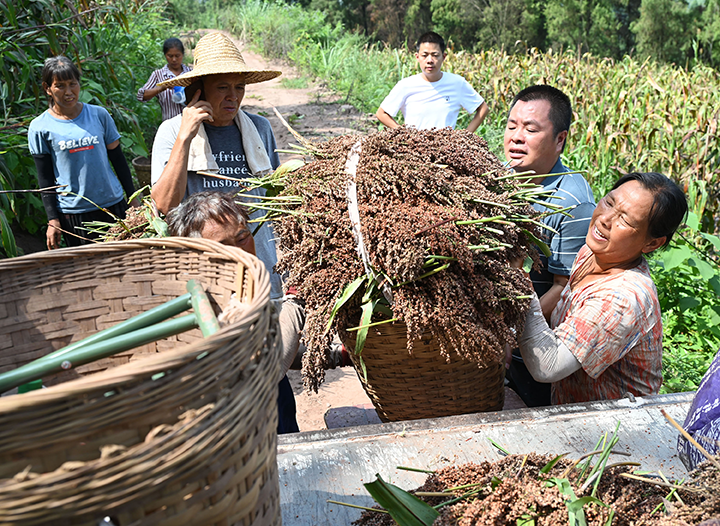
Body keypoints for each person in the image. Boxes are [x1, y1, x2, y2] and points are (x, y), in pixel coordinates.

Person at [516, 172, 687, 405]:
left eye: (625, 220)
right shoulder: (593, 253)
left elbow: (548, 366)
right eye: (609, 202)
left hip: (613, 430)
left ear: (652, 243)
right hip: (569, 412)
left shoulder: (623, 298)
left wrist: (517, 281)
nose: (605, 219)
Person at [150, 31, 284, 301]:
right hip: (206, 272)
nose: (233, 97)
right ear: (199, 90)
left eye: (240, 87)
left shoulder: (259, 129)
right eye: (223, 87)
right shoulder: (172, 132)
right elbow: (164, 205)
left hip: (260, 265)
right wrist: (186, 136)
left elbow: (276, 200)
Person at [165, 191, 301, 434]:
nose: (241, 252)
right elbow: (266, 366)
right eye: (222, 247)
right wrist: (295, 301)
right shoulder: (201, 308)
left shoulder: (246, 290)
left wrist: (333, 355)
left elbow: (266, 340)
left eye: (242, 237)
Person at [503, 85, 596, 407]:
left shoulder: (572, 202)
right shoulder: (499, 179)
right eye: (512, 125)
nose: (516, 137)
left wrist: (508, 330)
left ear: (560, 139)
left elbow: (565, 286)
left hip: (534, 348)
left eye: (530, 129)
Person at [28, 56, 138, 250]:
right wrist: (53, 219)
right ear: (47, 88)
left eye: (73, 84)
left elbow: (118, 160)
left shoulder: (99, 115)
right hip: (74, 214)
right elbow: (44, 178)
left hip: (112, 205)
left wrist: (132, 199)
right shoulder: (40, 127)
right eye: (60, 86)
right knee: (88, 271)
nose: (68, 92)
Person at [375, 32, 488, 132]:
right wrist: (404, 135)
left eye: (435, 55)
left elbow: (483, 109)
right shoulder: (406, 85)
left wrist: (465, 137)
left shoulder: (457, 83)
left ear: (443, 57)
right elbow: (381, 113)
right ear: (417, 57)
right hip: (414, 150)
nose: (429, 60)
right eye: (425, 55)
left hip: (446, 151)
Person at [136, 38, 193, 122]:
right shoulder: (158, 75)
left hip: (191, 123)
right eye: (170, 56)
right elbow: (141, 96)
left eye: (177, 56)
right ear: (165, 55)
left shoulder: (191, 73)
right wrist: (161, 88)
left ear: (183, 54)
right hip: (169, 125)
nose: (174, 59)